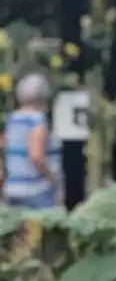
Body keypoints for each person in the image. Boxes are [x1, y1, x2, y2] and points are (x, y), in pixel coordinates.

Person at [3, 73, 63, 209]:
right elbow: (36, 156)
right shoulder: (37, 120)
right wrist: (51, 178)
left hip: (13, 187)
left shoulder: (13, 119)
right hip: (35, 189)